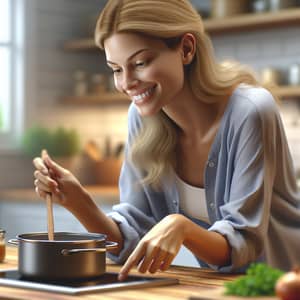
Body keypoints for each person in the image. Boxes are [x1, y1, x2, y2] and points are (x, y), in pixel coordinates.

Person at [33, 0, 300, 280]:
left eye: (140, 63)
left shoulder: (250, 110)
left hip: (284, 284)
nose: (127, 83)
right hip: (226, 289)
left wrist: (180, 226)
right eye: (116, 69)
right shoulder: (142, 117)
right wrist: (77, 201)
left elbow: (243, 245)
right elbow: (128, 241)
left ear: (186, 49)